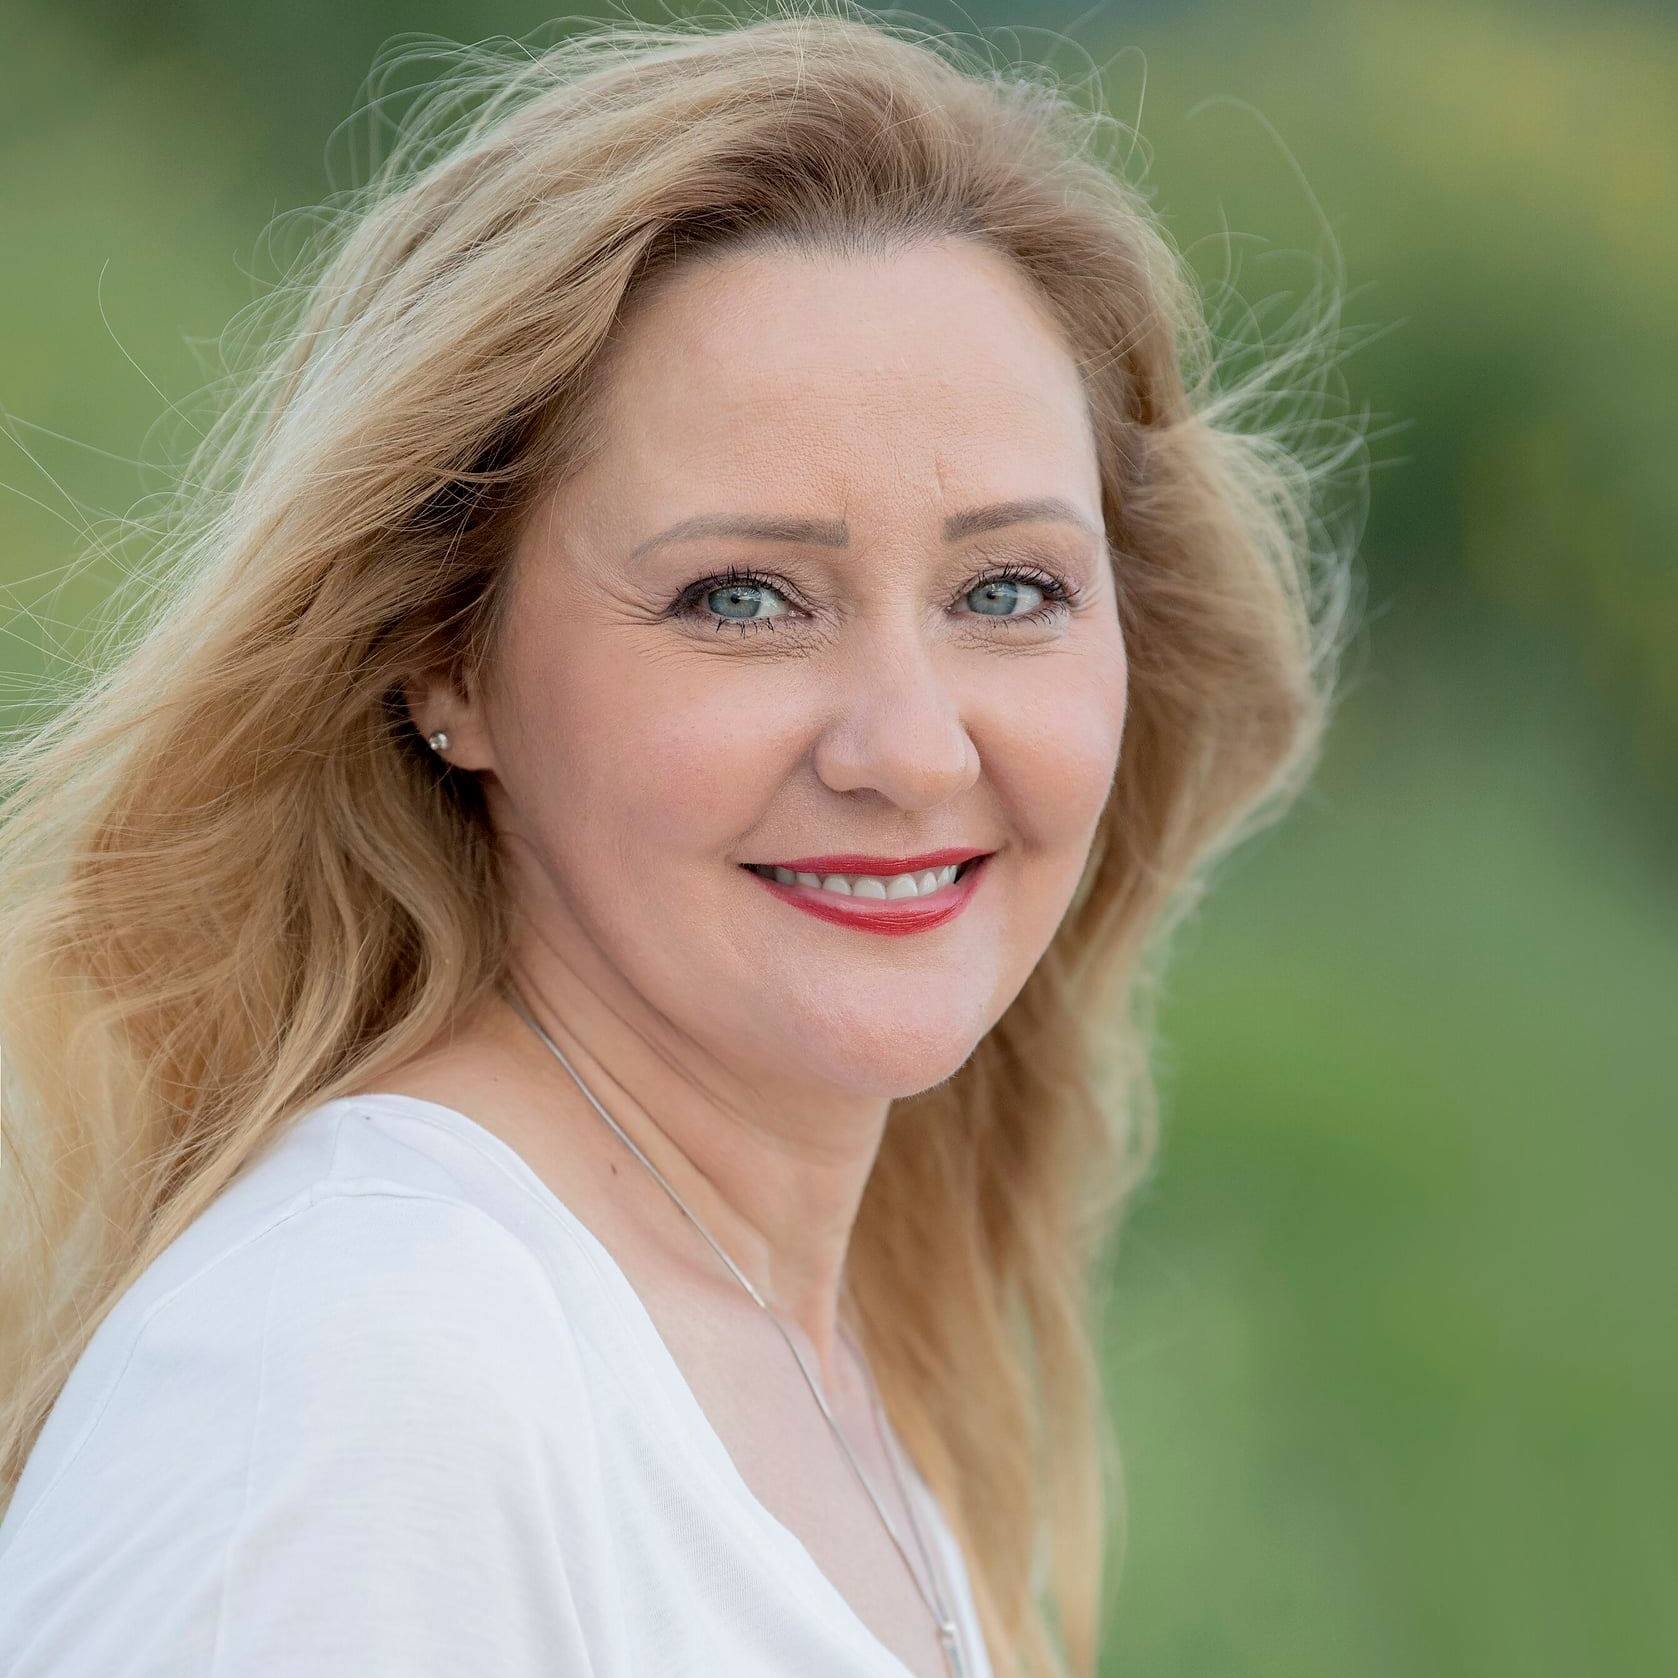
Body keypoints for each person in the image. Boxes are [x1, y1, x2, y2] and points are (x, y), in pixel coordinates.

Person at [0, 9, 1361, 1677]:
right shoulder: (358, 1376)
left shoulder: (803, 1351)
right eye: (742, 598)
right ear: (444, 657)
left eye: (1008, 589)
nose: (910, 748)